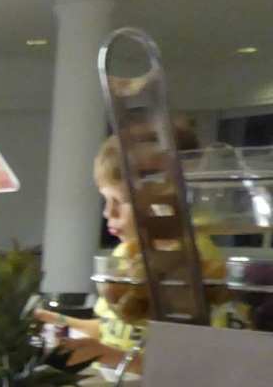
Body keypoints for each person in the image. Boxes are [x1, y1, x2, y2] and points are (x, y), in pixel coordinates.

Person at [37, 121, 227, 366]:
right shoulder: (125, 252)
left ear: (165, 198)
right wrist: (55, 320)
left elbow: (195, 362)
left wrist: (109, 356)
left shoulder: (193, 257)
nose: (108, 212)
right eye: (105, 200)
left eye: (119, 200)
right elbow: (110, 331)